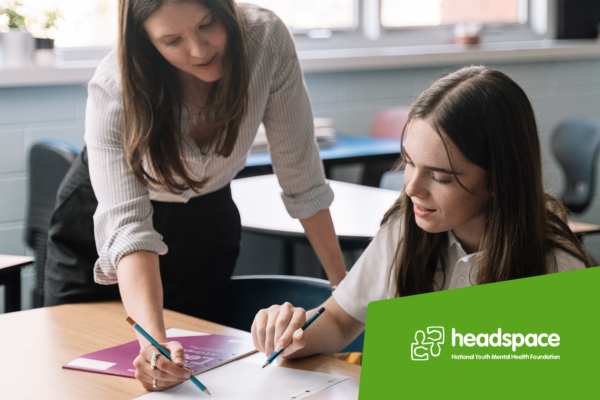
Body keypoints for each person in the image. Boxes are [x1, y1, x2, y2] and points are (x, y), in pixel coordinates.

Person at [43, 0, 347, 392]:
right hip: (104, 231)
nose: (200, 50)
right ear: (145, 42)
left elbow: (301, 175)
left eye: (208, 25)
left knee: (198, 375)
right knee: (92, 378)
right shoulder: (115, 86)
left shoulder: (264, 39)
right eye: (172, 40)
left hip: (205, 221)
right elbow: (130, 230)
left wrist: (343, 287)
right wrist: (154, 346)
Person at [250, 66, 592, 362]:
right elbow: (341, 319)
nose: (412, 188)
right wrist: (292, 333)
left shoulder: (557, 268)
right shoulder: (405, 227)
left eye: (441, 176)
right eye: (409, 164)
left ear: (499, 180)